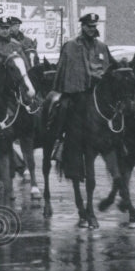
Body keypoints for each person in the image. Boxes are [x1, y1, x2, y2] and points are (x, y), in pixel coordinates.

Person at [49, 12, 115, 174]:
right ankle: (61, 143)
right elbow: (67, 70)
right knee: (64, 109)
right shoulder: (71, 46)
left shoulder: (101, 47)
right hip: (77, 92)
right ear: (82, 27)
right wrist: (86, 78)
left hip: (98, 93)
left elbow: (109, 67)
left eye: (94, 26)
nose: (92, 29)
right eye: (88, 26)